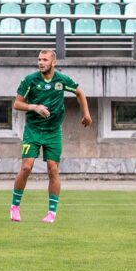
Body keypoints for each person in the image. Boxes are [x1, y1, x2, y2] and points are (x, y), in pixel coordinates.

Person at [9, 50, 92, 224]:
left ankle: (51, 213)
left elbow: (79, 93)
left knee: (53, 170)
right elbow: (16, 104)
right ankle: (15, 207)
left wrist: (86, 114)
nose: (41, 62)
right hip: (33, 130)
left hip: (53, 131)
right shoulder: (30, 80)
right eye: (39, 59)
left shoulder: (61, 80)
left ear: (53, 63)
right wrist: (34, 107)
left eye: (45, 60)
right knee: (26, 167)